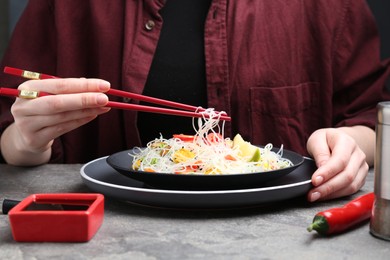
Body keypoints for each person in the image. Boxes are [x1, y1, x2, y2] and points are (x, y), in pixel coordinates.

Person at [0, 0, 389, 203]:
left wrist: (351, 144)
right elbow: (10, 134)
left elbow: (373, 116)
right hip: (104, 235)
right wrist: (27, 140)